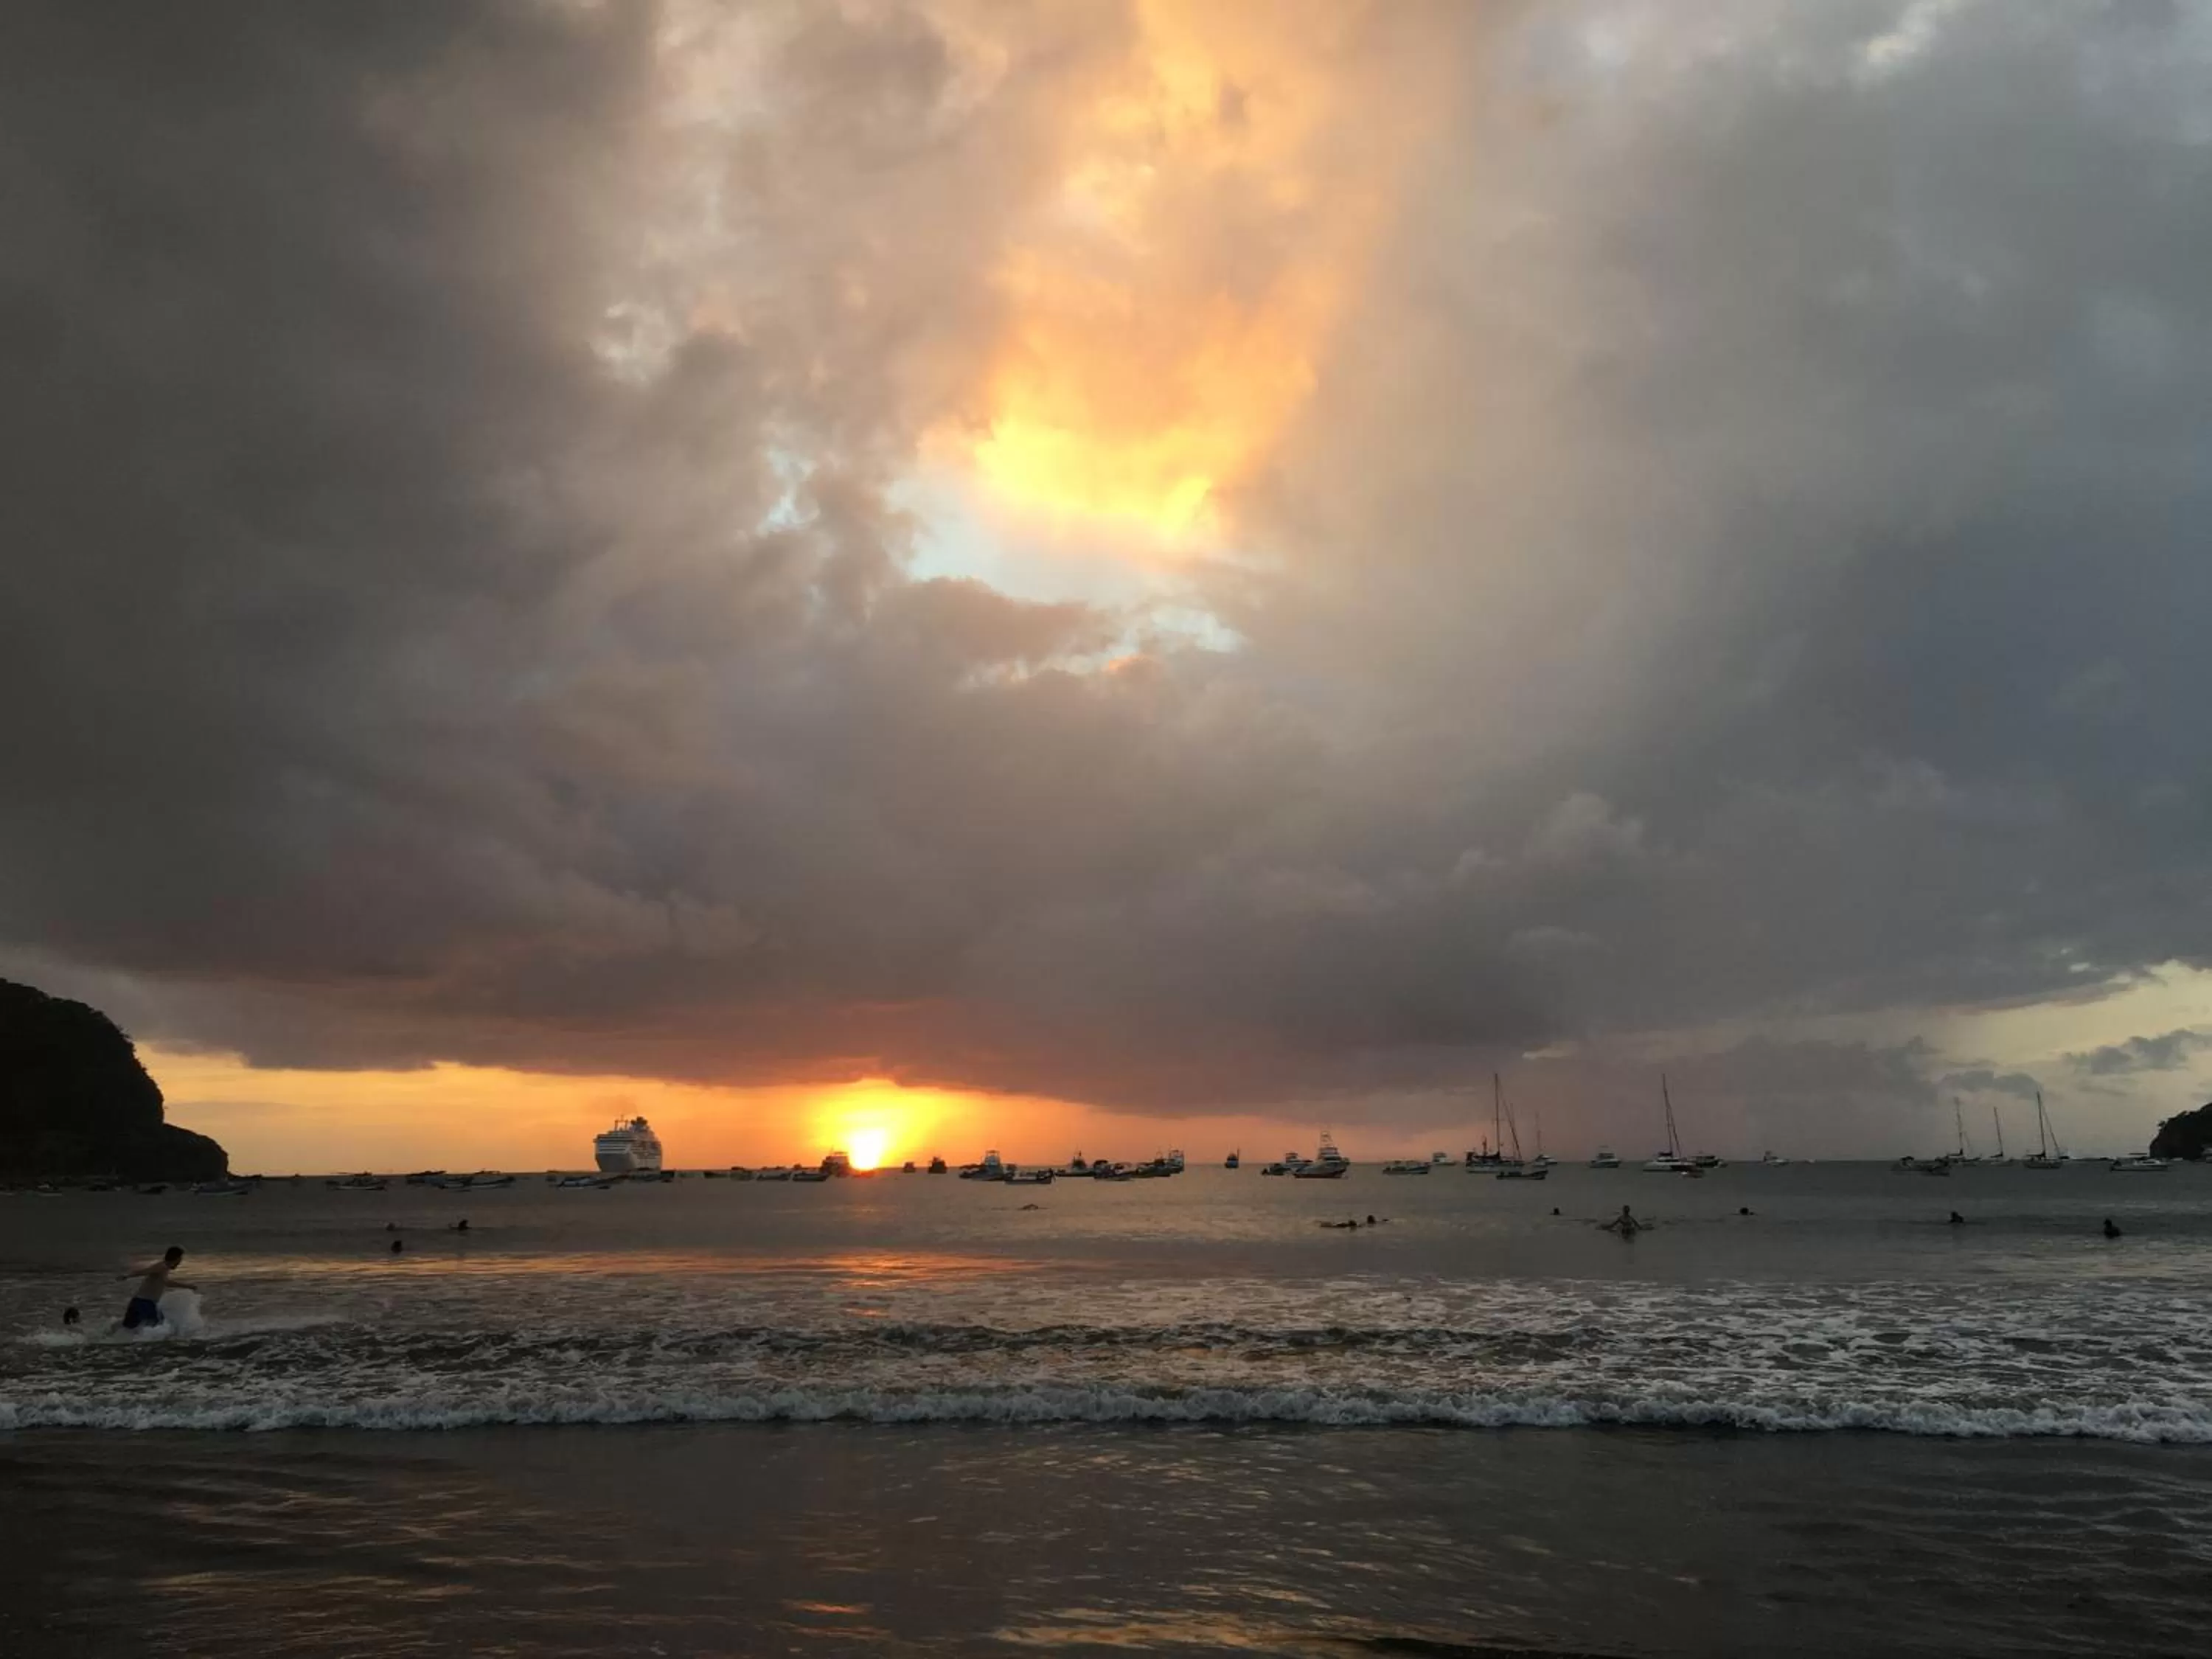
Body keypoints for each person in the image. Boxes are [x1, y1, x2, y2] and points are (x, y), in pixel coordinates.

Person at [116, 1247, 192, 1330]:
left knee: (136, 1328)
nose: (180, 1262)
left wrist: (187, 1286)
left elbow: (166, 1282)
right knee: (158, 1326)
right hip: (143, 1303)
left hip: (146, 1303)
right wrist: (127, 1276)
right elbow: (145, 1271)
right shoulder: (161, 1266)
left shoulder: (164, 1268)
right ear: (176, 1258)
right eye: (180, 1259)